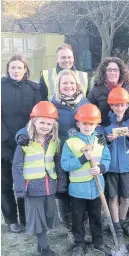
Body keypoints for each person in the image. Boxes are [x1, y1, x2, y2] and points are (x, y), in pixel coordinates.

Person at [16, 69, 91, 234]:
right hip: (60, 154)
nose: (68, 86)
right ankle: (69, 223)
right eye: (64, 83)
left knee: (81, 188)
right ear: (58, 85)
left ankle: (83, 222)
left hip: (81, 153)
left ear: (77, 84)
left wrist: (99, 136)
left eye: (71, 82)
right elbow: (35, 122)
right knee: (63, 190)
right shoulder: (51, 104)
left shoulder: (85, 102)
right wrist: (21, 135)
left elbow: (93, 123)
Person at [61, 104, 112, 256]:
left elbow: (107, 159)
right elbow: (65, 165)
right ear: (78, 124)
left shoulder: (100, 141)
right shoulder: (70, 143)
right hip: (78, 191)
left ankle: (99, 242)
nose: (88, 127)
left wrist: (101, 168)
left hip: (97, 189)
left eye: (91, 124)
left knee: (96, 217)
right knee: (78, 218)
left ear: (97, 125)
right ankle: (79, 243)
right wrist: (82, 159)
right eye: (85, 123)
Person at [12, 101, 62, 256]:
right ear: (33, 122)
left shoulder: (54, 141)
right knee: (38, 218)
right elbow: (17, 165)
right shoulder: (25, 142)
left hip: (49, 186)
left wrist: (61, 183)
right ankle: (43, 246)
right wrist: (20, 188)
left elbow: (57, 163)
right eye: (42, 122)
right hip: (32, 188)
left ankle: (42, 243)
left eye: (49, 123)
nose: (45, 126)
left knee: (48, 215)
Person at [1, 55, 41, 233]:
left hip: (27, 142)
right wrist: (6, 138)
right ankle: (11, 219)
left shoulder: (34, 89)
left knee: (24, 181)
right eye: (13, 67)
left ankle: (26, 218)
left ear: (25, 69)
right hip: (4, 143)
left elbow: (37, 115)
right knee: (5, 183)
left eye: (19, 67)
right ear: (8, 69)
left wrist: (27, 135)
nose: (16, 71)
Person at [99, 87, 129, 238]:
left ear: (127, 105)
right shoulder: (105, 122)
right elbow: (100, 144)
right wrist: (108, 140)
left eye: (122, 105)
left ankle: (122, 222)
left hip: (126, 167)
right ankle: (116, 225)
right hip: (111, 167)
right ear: (111, 106)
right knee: (113, 197)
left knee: (126, 197)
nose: (119, 108)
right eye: (116, 105)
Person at [88, 57, 127, 126]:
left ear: (120, 72)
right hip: (103, 131)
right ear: (104, 72)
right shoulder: (95, 91)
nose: (112, 72)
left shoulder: (127, 88)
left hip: (123, 131)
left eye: (115, 70)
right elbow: (88, 111)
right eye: (109, 70)